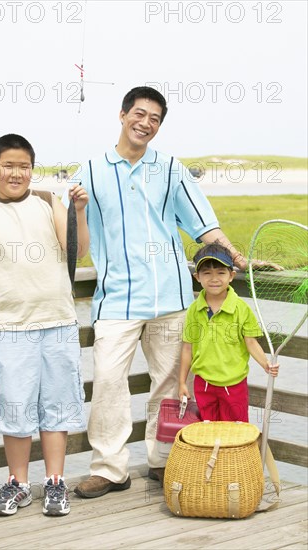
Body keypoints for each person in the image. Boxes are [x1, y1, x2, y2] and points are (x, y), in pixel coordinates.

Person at [65, 86, 254, 498]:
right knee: (109, 382)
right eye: (139, 113)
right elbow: (77, 249)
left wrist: (237, 257)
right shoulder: (90, 173)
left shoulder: (170, 169)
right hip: (115, 300)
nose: (145, 123)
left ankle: (164, 460)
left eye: (154, 118)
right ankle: (110, 469)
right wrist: (76, 209)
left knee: (170, 385)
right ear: (122, 115)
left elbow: (204, 225)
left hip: (172, 299)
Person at [0, 134, 89, 517]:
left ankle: (55, 482)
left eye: (23, 166)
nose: (16, 172)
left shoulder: (47, 202)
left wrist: (78, 211)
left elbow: (78, 250)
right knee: (15, 408)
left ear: (31, 169)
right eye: (8, 165)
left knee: (57, 408)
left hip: (58, 323)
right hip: (9, 328)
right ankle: (18, 484)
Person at [179, 243, 279, 421]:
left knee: (236, 433)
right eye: (207, 273)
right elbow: (187, 348)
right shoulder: (194, 309)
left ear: (231, 276)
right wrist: (182, 383)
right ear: (197, 277)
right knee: (208, 431)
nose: (214, 278)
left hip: (234, 384)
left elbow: (251, 343)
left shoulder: (241, 309)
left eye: (221, 272)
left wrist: (265, 364)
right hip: (204, 383)